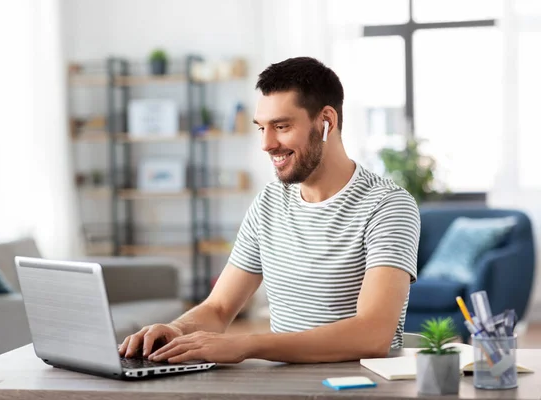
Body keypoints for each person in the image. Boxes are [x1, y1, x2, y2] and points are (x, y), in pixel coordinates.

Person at [119, 56, 420, 364]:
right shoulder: (269, 202)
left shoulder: (387, 205)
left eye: (281, 126)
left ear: (326, 121)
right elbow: (220, 308)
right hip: (283, 385)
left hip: (362, 386)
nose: (266, 143)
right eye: (262, 127)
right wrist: (175, 329)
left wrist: (247, 345)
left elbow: (372, 335)